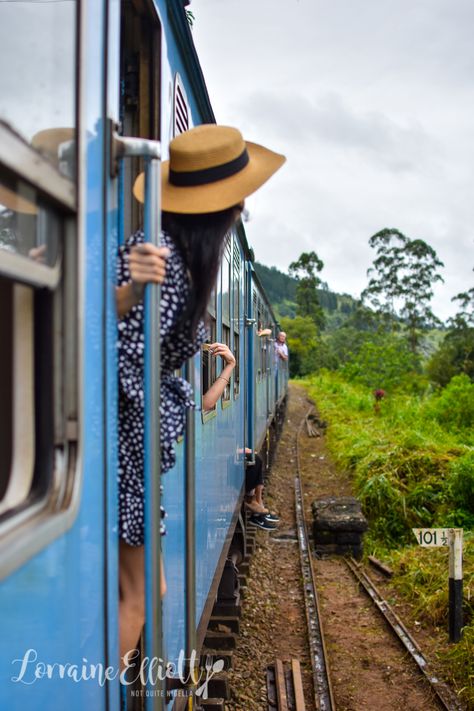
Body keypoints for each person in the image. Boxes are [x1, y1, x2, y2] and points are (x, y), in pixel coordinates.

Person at [115, 124, 285, 668]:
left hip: (132, 455)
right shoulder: (172, 272)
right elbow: (118, 360)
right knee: (140, 596)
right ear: (225, 210)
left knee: (146, 592)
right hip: (125, 458)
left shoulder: (171, 259)